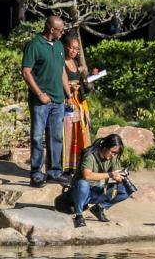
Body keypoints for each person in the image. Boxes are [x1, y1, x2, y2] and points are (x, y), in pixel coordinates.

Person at [22, 15, 70, 186]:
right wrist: (39, 94)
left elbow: (61, 70)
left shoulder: (59, 45)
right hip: (40, 102)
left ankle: (54, 172)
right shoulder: (34, 45)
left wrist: (68, 94)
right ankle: (36, 173)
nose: (63, 32)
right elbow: (26, 72)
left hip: (58, 100)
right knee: (37, 137)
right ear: (51, 29)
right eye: (61, 29)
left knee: (56, 137)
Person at [69, 132, 131, 227]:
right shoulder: (90, 155)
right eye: (112, 152)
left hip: (95, 191)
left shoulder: (112, 157)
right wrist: (110, 174)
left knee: (126, 189)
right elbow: (87, 176)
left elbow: (115, 172)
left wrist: (121, 175)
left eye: (116, 153)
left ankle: (99, 208)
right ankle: (79, 215)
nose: (114, 155)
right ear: (105, 146)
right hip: (79, 192)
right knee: (83, 184)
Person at [63, 34, 92, 167]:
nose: (74, 51)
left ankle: (80, 163)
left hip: (79, 100)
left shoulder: (75, 63)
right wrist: (69, 87)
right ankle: (67, 164)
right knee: (69, 132)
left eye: (77, 49)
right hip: (68, 100)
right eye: (72, 48)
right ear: (65, 47)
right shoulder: (61, 62)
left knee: (81, 132)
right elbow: (59, 81)